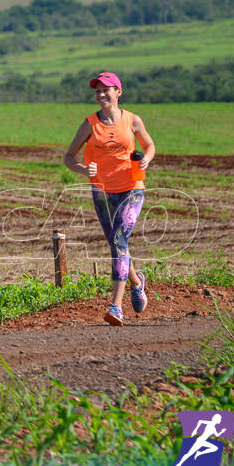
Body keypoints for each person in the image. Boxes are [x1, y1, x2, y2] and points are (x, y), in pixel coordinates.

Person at [63, 72, 156, 326]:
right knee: (118, 244)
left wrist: (147, 157)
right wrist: (82, 169)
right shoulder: (89, 124)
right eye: (97, 91)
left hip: (132, 188)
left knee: (118, 240)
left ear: (118, 92)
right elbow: (68, 157)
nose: (101, 95)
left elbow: (149, 145)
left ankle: (116, 306)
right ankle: (137, 283)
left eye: (106, 90)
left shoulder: (132, 120)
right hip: (102, 192)